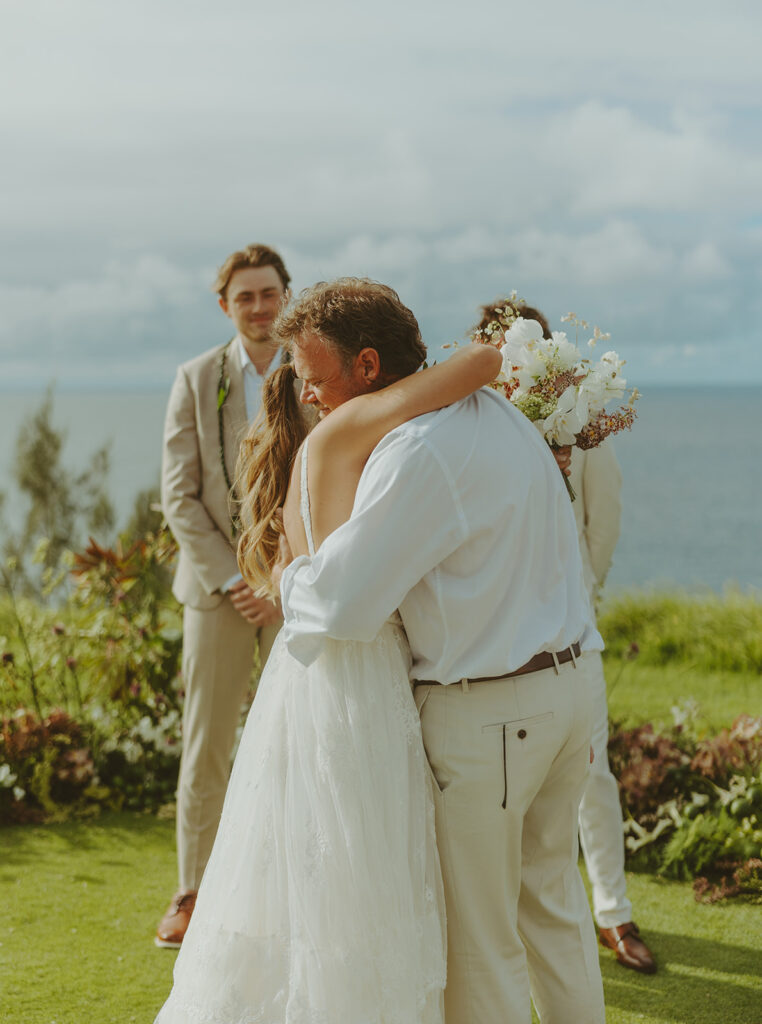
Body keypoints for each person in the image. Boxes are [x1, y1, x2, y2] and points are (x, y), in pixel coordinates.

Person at [154, 280, 502, 1023]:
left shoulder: (311, 449)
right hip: (359, 672)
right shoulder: (348, 434)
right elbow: (474, 367)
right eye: (310, 380)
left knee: (298, 852)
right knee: (360, 861)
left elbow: (297, 571)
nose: (314, 392)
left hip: (303, 675)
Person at [276, 280, 606, 1023]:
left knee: (480, 946)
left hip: (492, 720)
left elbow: (346, 603)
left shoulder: (417, 451)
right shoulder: (500, 418)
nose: (308, 395)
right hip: (569, 689)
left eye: (314, 374)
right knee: (553, 913)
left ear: (366, 366)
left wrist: (287, 574)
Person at [476, 296, 657, 974]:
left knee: (592, 772)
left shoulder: (581, 427)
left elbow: (600, 530)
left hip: (570, 631)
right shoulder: (473, 421)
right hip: (492, 637)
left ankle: (613, 911)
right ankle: (513, 918)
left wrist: (578, 600)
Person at [156, 244, 292, 948]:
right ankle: (192, 891)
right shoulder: (196, 377)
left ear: (286, 297)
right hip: (218, 595)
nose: (260, 308)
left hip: (295, 593)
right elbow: (179, 496)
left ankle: (282, 887)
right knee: (207, 746)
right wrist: (236, 580)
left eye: (269, 294)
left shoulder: (311, 371)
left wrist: (280, 581)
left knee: (294, 741)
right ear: (226, 306)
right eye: (246, 297)